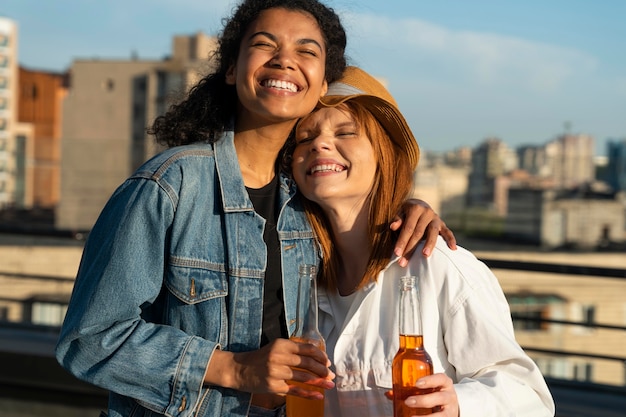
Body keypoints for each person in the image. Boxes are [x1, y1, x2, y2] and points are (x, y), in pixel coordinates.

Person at [55, 1, 456, 417]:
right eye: (265, 45)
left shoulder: (307, 201)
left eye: (307, 51)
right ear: (231, 70)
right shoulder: (170, 185)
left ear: (322, 86)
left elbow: (357, 217)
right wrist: (233, 369)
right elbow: (89, 339)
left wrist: (410, 208)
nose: (285, 60)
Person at [290, 66, 556, 417]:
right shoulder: (294, 273)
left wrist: (460, 404)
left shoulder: (439, 264)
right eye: (305, 138)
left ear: (384, 154)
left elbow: (531, 399)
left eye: (346, 132)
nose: (320, 143)